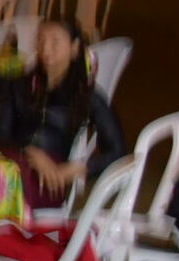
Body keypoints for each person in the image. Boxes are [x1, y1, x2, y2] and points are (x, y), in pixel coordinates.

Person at [15, 17, 126, 207]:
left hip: (46, 179)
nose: (46, 48)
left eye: (55, 41)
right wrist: (31, 151)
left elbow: (118, 150)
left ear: (74, 48)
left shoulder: (86, 96)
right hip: (11, 161)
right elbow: (0, 130)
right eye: (41, 40)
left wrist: (76, 169)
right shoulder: (22, 85)